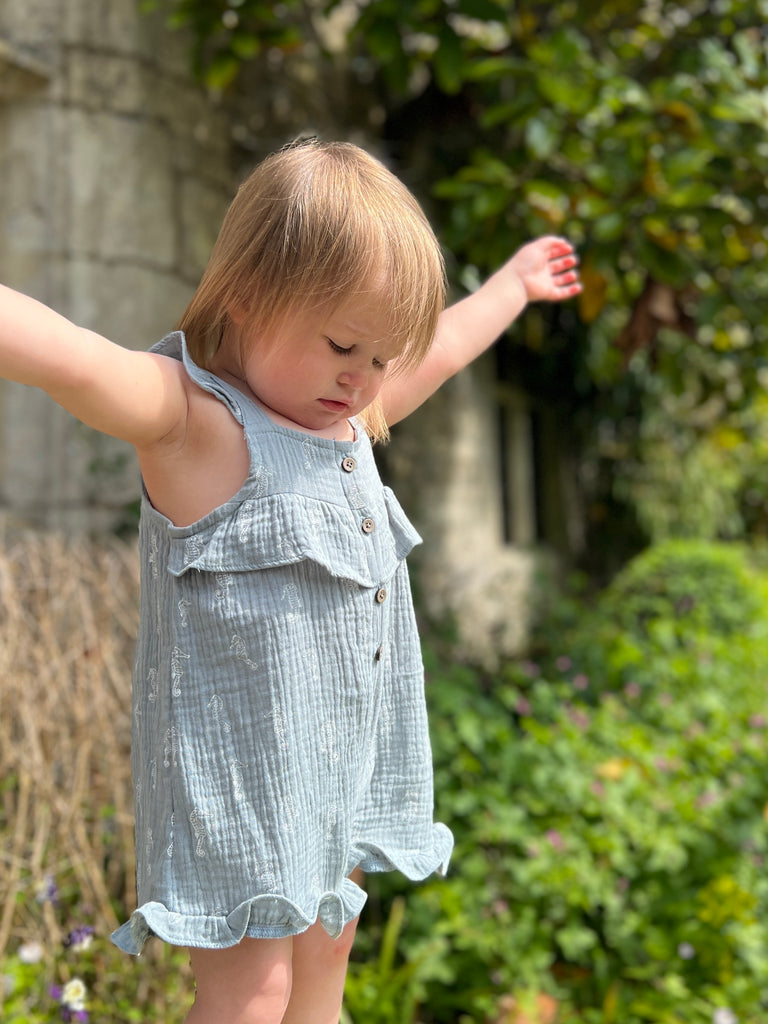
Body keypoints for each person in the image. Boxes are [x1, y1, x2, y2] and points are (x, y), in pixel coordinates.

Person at [0, 139, 581, 1024]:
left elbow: (448, 348)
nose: (363, 379)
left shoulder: (351, 417)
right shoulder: (201, 430)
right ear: (247, 298)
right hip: (240, 790)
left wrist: (510, 285)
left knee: (324, 974)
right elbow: (75, 359)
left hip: (337, 776)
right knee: (252, 998)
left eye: (384, 359)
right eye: (344, 344)